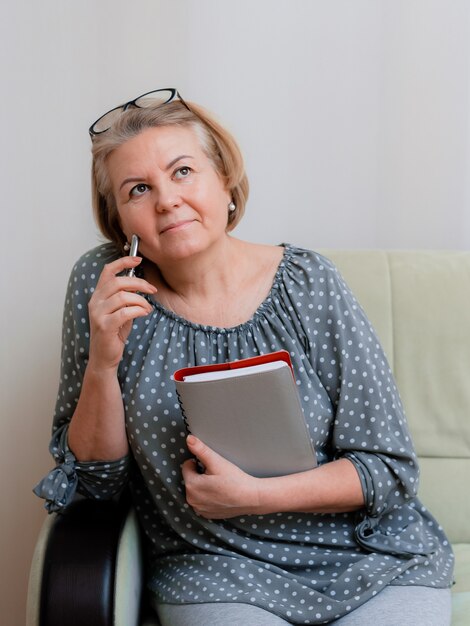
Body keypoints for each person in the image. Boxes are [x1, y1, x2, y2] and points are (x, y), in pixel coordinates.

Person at [34, 88, 454, 625]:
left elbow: (389, 471)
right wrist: (103, 363)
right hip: (214, 566)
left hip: (371, 558)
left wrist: (252, 496)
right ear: (119, 223)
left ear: (225, 181)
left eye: (183, 171)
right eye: (138, 188)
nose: (166, 200)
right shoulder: (107, 290)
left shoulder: (310, 282)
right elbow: (96, 481)